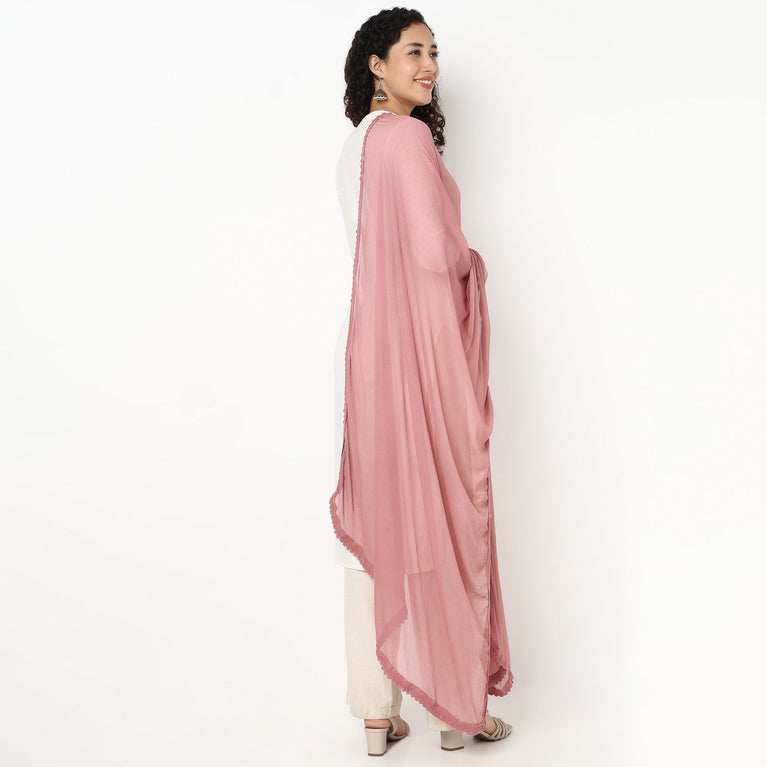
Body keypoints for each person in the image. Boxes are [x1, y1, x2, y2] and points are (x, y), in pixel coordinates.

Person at [330, 8, 514, 756]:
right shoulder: (405, 138)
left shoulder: (355, 144)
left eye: (433, 51)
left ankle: (376, 714)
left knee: (377, 530)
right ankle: (455, 712)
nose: (429, 65)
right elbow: (437, 255)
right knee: (438, 517)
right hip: (414, 357)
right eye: (413, 52)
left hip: (361, 358)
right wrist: (475, 264)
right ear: (376, 64)